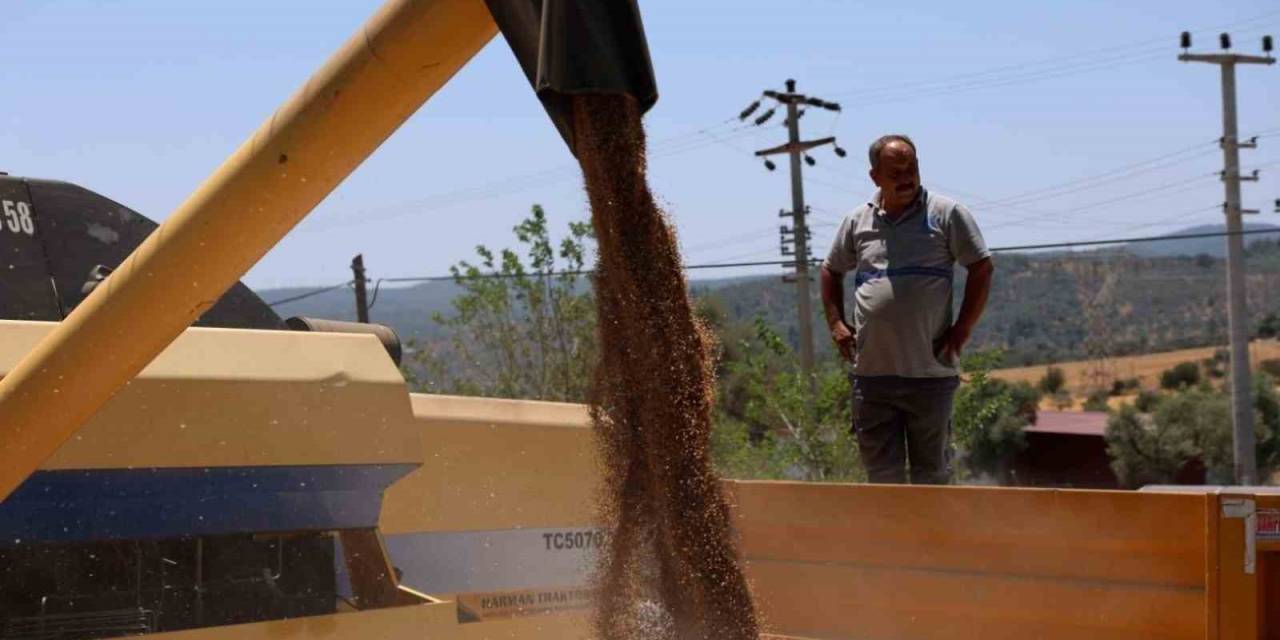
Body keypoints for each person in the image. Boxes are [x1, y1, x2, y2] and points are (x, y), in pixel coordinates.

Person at [819, 134, 994, 484]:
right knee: (882, 478)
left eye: (911, 167)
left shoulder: (946, 214)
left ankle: (932, 540)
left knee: (932, 476)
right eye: (895, 171)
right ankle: (888, 540)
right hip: (872, 378)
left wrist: (962, 329)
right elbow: (830, 270)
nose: (906, 177)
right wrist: (836, 323)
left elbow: (981, 267)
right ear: (875, 177)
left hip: (929, 376)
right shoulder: (857, 221)